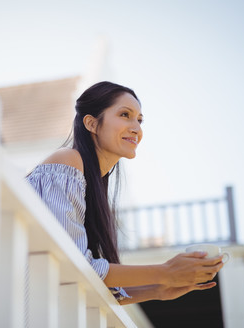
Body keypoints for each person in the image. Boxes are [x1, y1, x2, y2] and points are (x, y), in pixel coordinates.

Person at [26, 81, 225, 305]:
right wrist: (165, 271)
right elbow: (73, 264)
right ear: (91, 123)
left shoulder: (94, 184)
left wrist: (160, 289)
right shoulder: (67, 162)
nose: (136, 128)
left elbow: (94, 283)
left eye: (139, 120)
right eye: (125, 115)